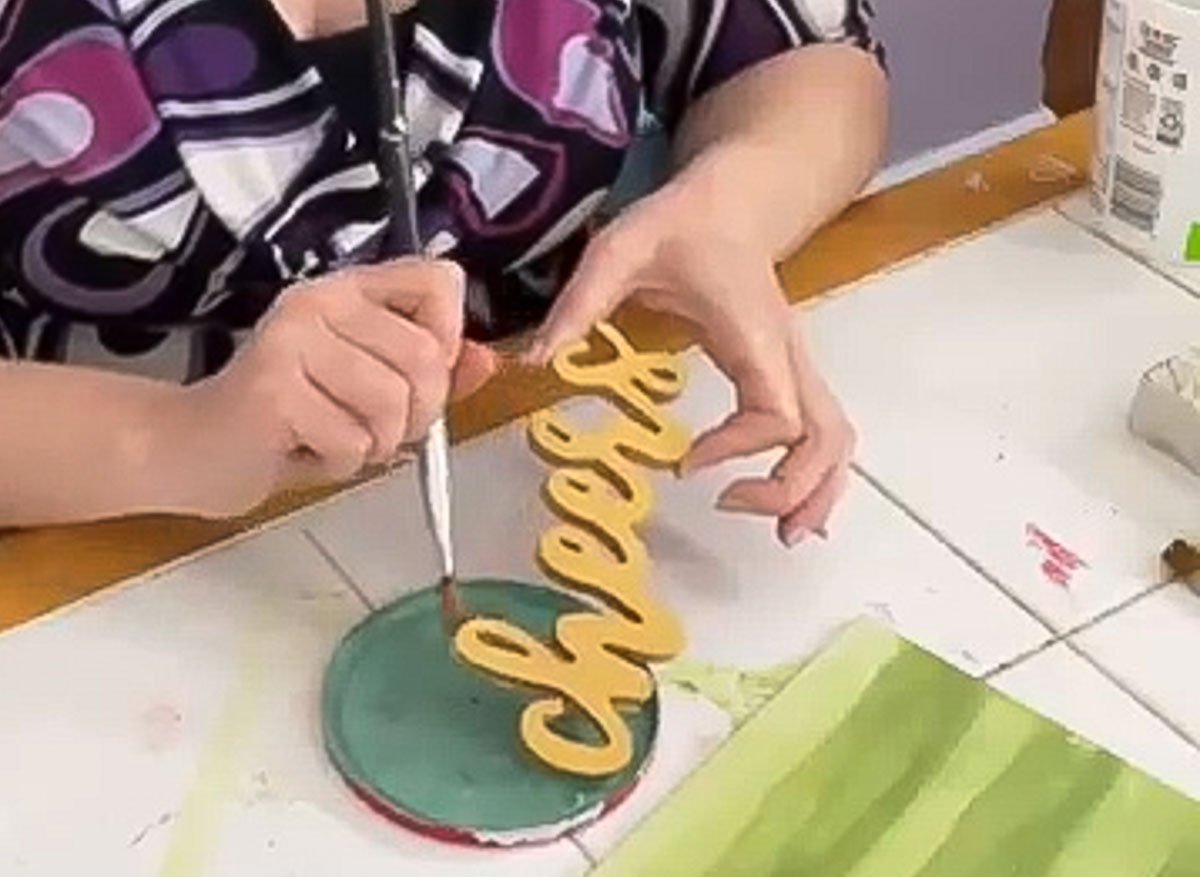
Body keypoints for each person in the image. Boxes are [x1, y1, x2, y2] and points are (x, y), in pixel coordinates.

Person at [0, 0, 887, 544]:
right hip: (90, 560)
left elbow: (809, 56)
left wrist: (733, 207)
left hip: (536, 484)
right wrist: (173, 443)